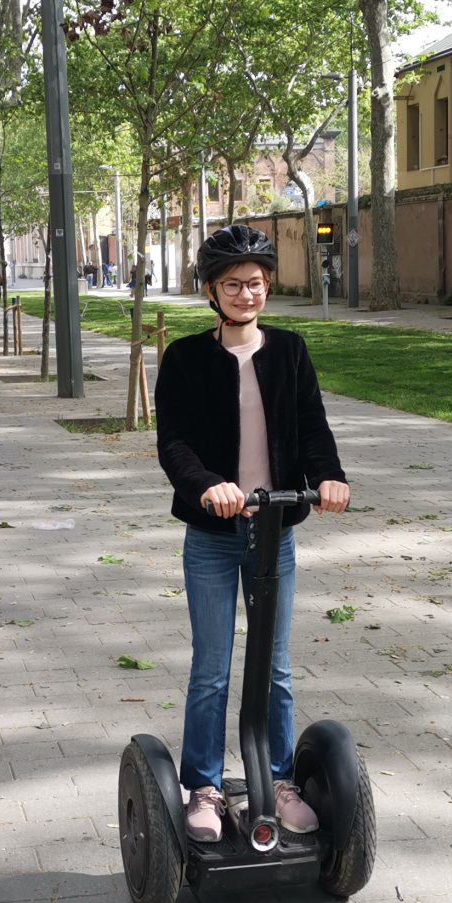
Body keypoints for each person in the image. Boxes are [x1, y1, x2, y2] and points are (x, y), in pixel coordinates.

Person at [154, 225, 348, 843]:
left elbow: (312, 426)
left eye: (256, 283)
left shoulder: (290, 350)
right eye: (233, 284)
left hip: (274, 531)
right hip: (213, 534)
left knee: (278, 666)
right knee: (211, 666)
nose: (246, 294)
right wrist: (208, 484)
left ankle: (279, 780)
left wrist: (330, 476)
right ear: (211, 290)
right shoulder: (184, 358)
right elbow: (173, 444)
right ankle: (205, 788)